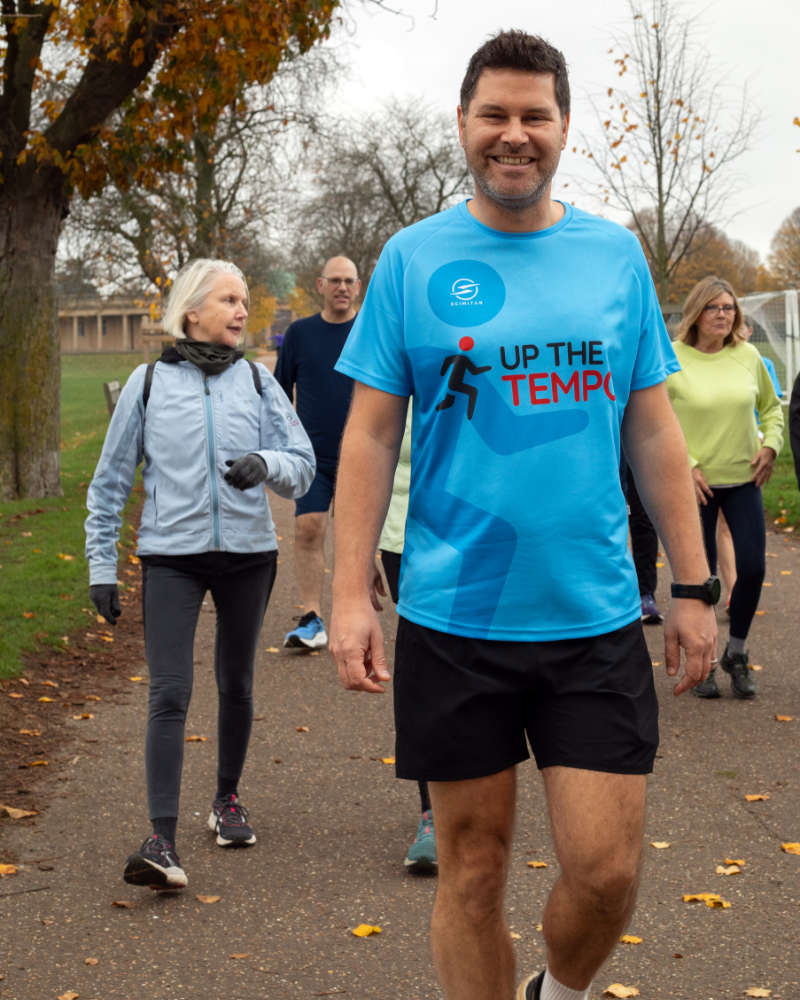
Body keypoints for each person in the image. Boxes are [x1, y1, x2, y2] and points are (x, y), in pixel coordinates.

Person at [328, 30, 716, 1000]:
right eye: (493, 115)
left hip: (590, 616)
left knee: (605, 869)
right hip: (455, 620)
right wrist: (348, 595)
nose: (513, 134)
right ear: (461, 125)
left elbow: (652, 431)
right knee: (468, 868)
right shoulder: (411, 262)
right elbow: (370, 437)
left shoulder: (612, 258)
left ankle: (559, 990)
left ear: (561, 126)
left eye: (532, 115)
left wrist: (694, 584)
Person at [85, 259, 315, 890]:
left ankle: (226, 801)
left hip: (247, 554)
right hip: (171, 556)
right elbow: (110, 481)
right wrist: (102, 566)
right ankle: (160, 838)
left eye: (244, 301)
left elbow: (303, 463)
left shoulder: (259, 383)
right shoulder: (149, 382)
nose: (243, 311)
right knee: (168, 691)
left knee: (236, 682)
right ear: (191, 311)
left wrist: (264, 462)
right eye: (230, 300)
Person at [667, 277, 783, 700]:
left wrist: (771, 445)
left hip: (742, 480)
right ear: (696, 312)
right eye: (714, 307)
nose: (723, 314)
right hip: (692, 484)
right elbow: (659, 423)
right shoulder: (673, 358)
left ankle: (736, 651)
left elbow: (771, 410)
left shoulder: (748, 355)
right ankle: (705, 662)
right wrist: (688, 465)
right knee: (702, 578)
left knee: (752, 568)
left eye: (729, 307)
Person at [274, 256, 361, 649]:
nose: (342, 287)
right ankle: (312, 618)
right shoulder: (299, 334)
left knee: (357, 539)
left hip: (364, 457)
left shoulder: (373, 331)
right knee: (309, 528)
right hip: (313, 458)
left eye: (349, 281)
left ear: (358, 287)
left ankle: (351, 613)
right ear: (320, 286)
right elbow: (278, 394)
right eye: (335, 280)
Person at [371, 412, 437, 874]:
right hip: (403, 537)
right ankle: (433, 813)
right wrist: (361, 548)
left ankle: (479, 794)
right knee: (429, 668)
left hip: (484, 530)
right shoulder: (397, 358)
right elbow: (363, 451)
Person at [715, 313, 784, 610]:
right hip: (717, 453)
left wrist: (766, 442)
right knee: (724, 526)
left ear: (750, 329)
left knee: (742, 529)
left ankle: (745, 583)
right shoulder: (712, 360)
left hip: (750, 454)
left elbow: (771, 404)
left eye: (742, 326)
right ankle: (733, 590)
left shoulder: (760, 362)